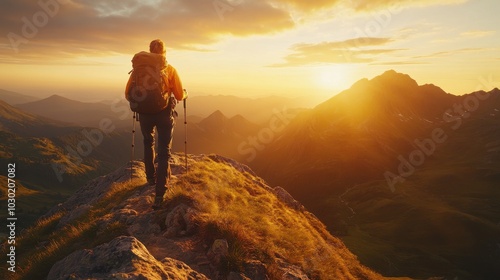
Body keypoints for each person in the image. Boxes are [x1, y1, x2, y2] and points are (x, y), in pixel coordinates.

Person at [125, 39, 187, 209]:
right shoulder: (169, 69)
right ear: (164, 52)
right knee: (164, 151)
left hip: (144, 114)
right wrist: (184, 94)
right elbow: (180, 95)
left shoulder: (138, 69)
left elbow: (127, 93)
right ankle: (160, 193)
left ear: (150, 51)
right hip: (164, 113)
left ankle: (150, 178)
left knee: (148, 142)